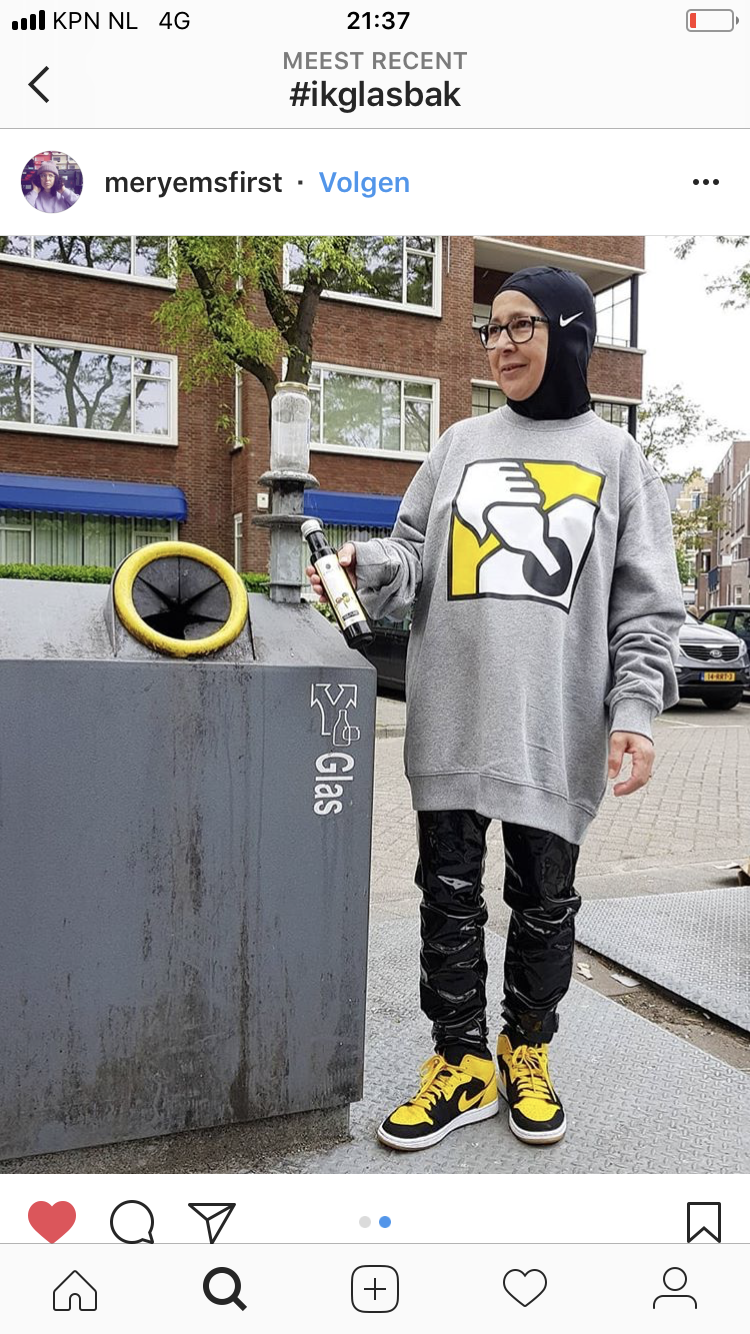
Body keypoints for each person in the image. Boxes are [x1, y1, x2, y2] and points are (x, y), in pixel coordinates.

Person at [306, 264, 685, 1152]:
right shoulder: (459, 443)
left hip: (554, 728)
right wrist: (369, 565)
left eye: (523, 326)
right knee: (446, 896)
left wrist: (634, 711)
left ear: (571, 335)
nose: (502, 344)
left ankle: (527, 1049)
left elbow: (646, 609)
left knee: (545, 901)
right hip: (453, 717)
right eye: (493, 327)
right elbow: (412, 553)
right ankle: (461, 1062)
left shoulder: (618, 459)